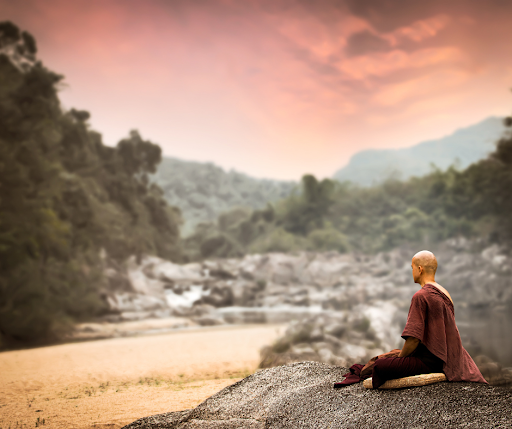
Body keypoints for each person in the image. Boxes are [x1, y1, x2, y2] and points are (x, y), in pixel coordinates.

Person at [371, 250, 487, 389]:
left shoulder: (421, 296)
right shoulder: (444, 292)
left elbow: (413, 339)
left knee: (379, 365)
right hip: (445, 357)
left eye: (412, 267)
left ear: (419, 269)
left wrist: (400, 360)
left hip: (430, 361)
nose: (412, 271)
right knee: (388, 356)